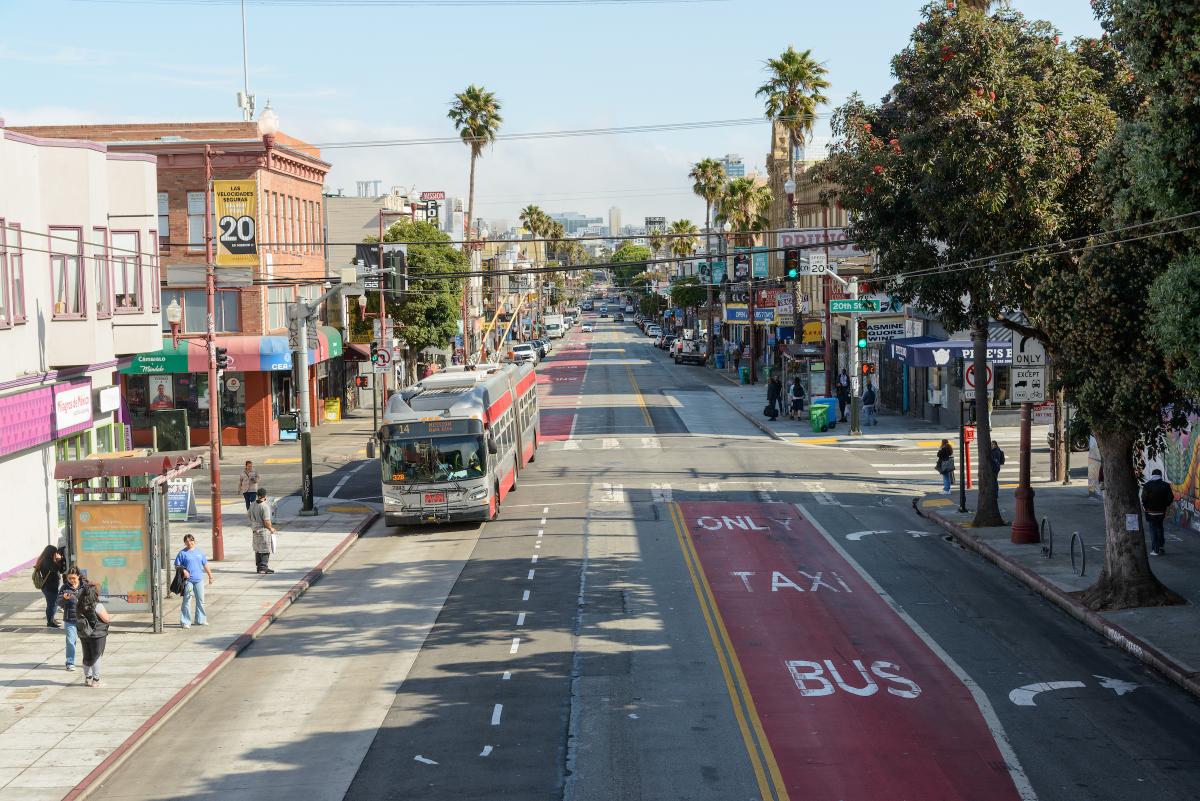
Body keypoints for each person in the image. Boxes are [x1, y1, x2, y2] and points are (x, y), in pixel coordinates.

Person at [174, 534, 214, 628]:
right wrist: (183, 570)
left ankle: (200, 620)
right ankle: (185, 621)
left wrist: (210, 576)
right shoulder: (182, 553)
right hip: (188, 581)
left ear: (194, 541)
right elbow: (177, 565)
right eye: (187, 541)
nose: (189, 543)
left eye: (191, 541)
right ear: (184, 543)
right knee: (187, 600)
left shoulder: (199, 552)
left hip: (199, 579)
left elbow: (205, 564)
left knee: (201, 600)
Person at [76, 583, 110, 687]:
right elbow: (107, 619)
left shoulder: (79, 605)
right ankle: (96, 680)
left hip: (84, 633)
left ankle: (88, 678)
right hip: (97, 634)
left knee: (87, 656)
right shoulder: (97, 605)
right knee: (96, 656)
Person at [1141, 469, 1174, 556]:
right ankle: (1161, 547)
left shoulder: (1147, 485)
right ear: (1160, 475)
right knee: (1160, 527)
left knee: (1153, 529)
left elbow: (1143, 498)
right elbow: (1171, 497)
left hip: (1150, 512)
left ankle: (1155, 549)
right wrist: (1165, 505)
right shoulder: (1166, 485)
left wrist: (1146, 507)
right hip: (1161, 511)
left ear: (1152, 475)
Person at [57, 567, 84, 671]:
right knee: (70, 641)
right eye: (69, 578)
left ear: (78, 576)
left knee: (86, 642)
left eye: (73, 578)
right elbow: (58, 602)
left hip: (83, 618)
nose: (72, 580)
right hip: (70, 619)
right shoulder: (64, 587)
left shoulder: (84, 586)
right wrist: (64, 598)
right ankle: (70, 662)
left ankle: (88, 661)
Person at [33, 545, 64, 627]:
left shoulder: (45, 559)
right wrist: (59, 560)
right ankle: (50, 622)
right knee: (52, 605)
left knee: (52, 604)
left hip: (49, 586)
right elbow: (55, 568)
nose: (56, 554)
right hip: (49, 587)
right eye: (55, 552)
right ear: (51, 553)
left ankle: (51, 619)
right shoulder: (47, 561)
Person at [249, 488, 278, 574]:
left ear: (258, 495)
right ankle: (264, 566)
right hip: (262, 530)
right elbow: (266, 521)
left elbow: (248, 515)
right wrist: (271, 528)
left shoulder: (252, 504)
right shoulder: (264, 506)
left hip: (254, 529)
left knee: (257, 548)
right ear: (265, 496)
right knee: (265, 548)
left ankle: (259, 566)